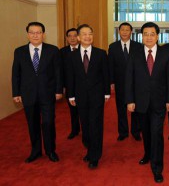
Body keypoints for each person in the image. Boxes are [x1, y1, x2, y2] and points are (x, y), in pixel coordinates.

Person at [125, 22, 169, 183]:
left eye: (152, 34)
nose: (148, 37)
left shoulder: (166, 54)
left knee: (156, 133)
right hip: (140, 102)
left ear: (157, 36)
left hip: (159, 103)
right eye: (145, 34)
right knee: (146, 132)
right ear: (141, 36)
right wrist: (130, 100)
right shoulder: (135, 54)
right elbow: (129, 79)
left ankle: (157, 168)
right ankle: (147, 154)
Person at [12, 22, 63, 163]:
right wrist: (16, 93)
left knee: (48, 123)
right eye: (32, 32)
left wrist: (59, 90)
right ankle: (36, 151)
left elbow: (58, 73)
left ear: (43, 34)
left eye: (38, 32)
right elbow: (16, 74)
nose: (35, 35)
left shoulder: (53, 50)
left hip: (48, 94)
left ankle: (51, 150)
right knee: (32, 124)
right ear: (28, 34)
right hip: (28, 94)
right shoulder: (19, 51)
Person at [67, 24, 110, 169]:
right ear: (78, 37)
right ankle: (90, 148)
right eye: (84, 34)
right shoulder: (71, 56)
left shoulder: (101, 53)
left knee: (96, 125)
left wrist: (106, 92)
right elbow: (70, 77)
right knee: (85, 125)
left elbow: (105, 74)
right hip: (80, 96)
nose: (88, 36)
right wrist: (71, 95)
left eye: (90, 33)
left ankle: (95, 155)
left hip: (97, 95)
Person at [108, 22, 142, 141]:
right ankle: (123, 132)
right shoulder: (113, 46)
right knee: (121, 107)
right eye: (122, 30)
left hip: (136, 82)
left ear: (131, 32)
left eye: (127, 30)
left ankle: (136, 131)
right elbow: (110, 66)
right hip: (120, 82)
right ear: (119, 31)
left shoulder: (138, 46)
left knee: (135, 108)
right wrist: (111, 81)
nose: (125, 32)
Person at [60, 28, 80, 140]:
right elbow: (60, 70)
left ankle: (86, 129)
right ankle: (75, 129)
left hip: (83, 86)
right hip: (69, 86)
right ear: (67, 38)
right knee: (73, 110)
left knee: (84, 109)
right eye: (70, 36)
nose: (72, 38)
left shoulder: (84, 49)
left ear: (78, 37)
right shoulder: (62, 52)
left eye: (74, 35)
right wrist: (62, 86)